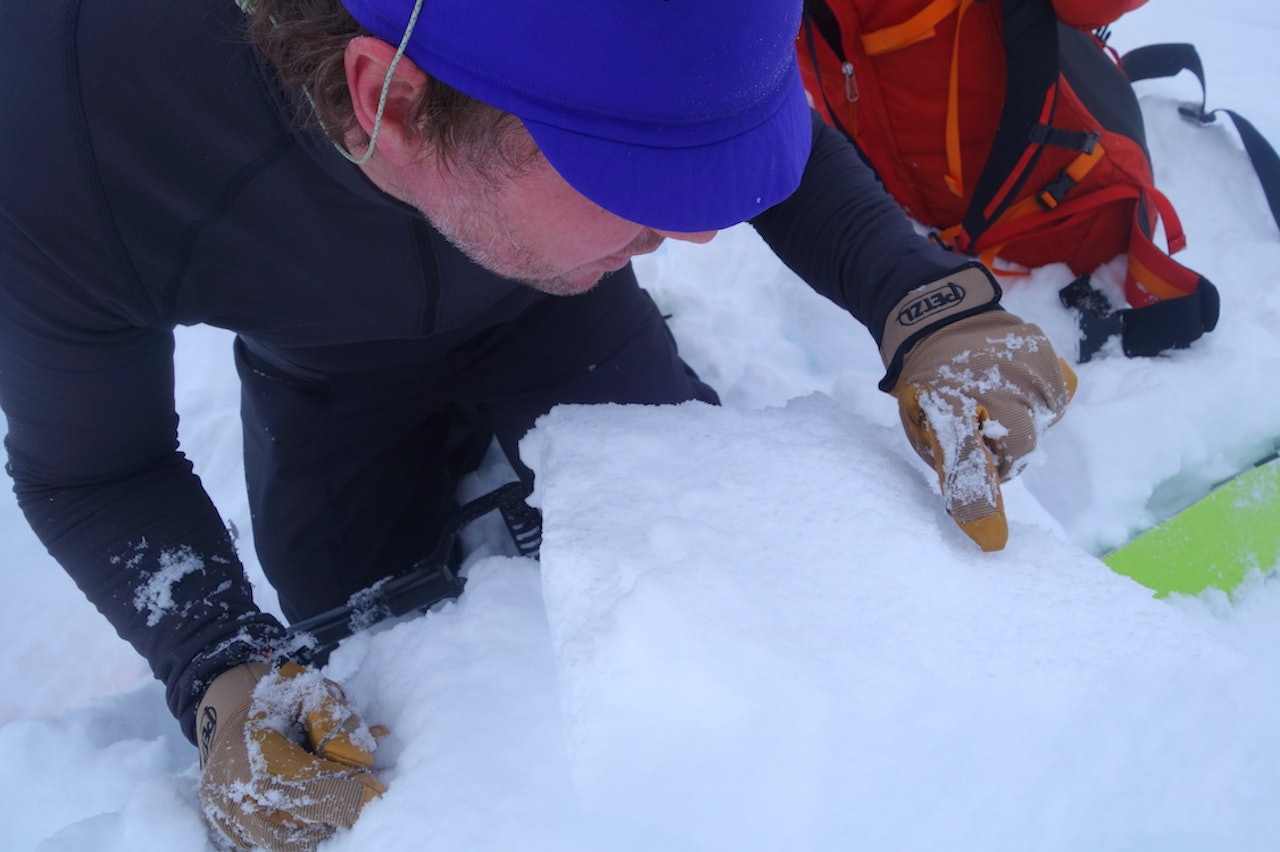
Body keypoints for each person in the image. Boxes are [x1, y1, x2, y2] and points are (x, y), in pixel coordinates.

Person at [0, 0, 1075, 848]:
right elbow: (96, 469)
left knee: (713, 571)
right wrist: (220, 667)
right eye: (634, 179)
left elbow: (728, 120)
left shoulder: (568, 113)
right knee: (361, 657)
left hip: (553, 310)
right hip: (321, 362)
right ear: (391, 101)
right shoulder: (74, 118)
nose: (698, 232)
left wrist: (923, 305)